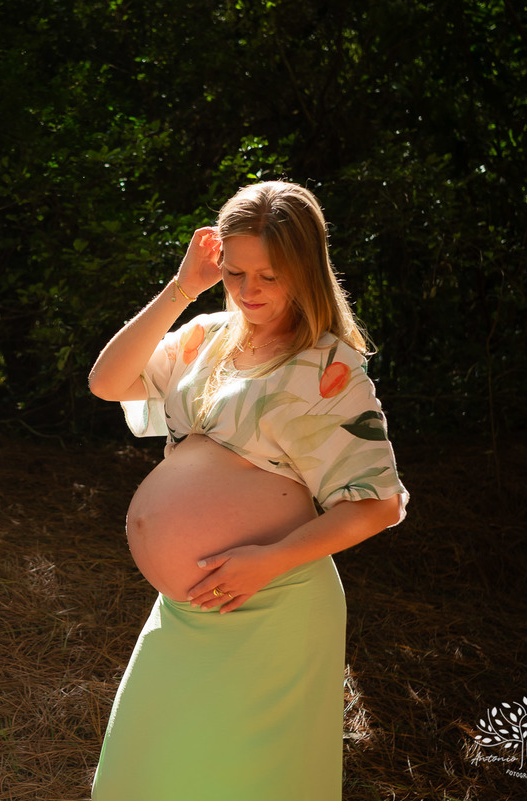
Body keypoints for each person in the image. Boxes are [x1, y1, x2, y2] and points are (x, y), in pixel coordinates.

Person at [86, 181, 408, 800]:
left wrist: (269, 560)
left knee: (249, 783)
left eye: (270, 275)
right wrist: (184, 288)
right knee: (140, 776)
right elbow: (107, 381)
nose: (249, 291)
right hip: (186, 609)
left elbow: (377, 503)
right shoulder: (201, 338)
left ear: (306, 270)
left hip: (274, 604)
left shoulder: (329, 369)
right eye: (235, 273)